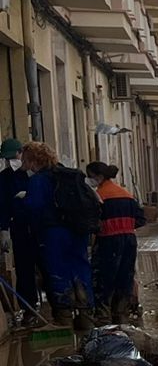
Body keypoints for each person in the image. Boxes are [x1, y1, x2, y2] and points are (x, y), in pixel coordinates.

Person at [18, 141, 95, 332]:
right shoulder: (71, 175)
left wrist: (23, 202)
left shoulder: (38, 180)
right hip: (78, 230)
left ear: (33, 160)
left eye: (26, 161)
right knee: (80, 267)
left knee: (58, 271)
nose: (25, 166)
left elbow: (34, 208)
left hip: (53, 232)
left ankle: (64, 317)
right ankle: (86, 316)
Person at [86, 161, 143, 326]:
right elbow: (141, 219)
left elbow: (93, 222)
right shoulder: (126, 194)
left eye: (90, 177)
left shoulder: (99, 197)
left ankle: (104, 317)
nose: (89, 180)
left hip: (108, 240)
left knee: (104, 278)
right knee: (125, 277)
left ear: (100, 177)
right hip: (129, 241)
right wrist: (125, 226)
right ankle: (122, 315)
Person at [1, 137, 40, 326]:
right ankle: (29, 309)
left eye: (15, 157)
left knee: (47, 268)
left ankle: (61, 310)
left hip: (41, 228)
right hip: (19, 228)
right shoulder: (4, 178)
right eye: (8, 159)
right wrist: (4, 230)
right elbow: (2, 205)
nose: (13, 162)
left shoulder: (36, 175)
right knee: (24, 270)